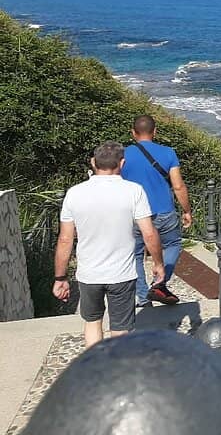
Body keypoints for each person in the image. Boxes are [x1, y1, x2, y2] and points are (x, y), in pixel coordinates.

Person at [53, 141, 165, 348]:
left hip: (89, 274)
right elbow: (149, 234)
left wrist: (61, 277)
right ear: (121, 163)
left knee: (92, 322)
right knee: (121, 329)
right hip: (122, 274)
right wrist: (158, 264)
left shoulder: (75, 193)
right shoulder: (134, 191)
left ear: (93, 162)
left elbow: (65, 239)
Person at [121, 114, 193, 306]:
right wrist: (187, 210)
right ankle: (159, 283)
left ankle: (143, 296)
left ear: (133, 133)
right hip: (163, 211)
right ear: (155, 131)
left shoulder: (123, 155)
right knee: (173, 245)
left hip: (133, 213)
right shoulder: (168, 153)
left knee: (134, 254)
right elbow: (178, 186)